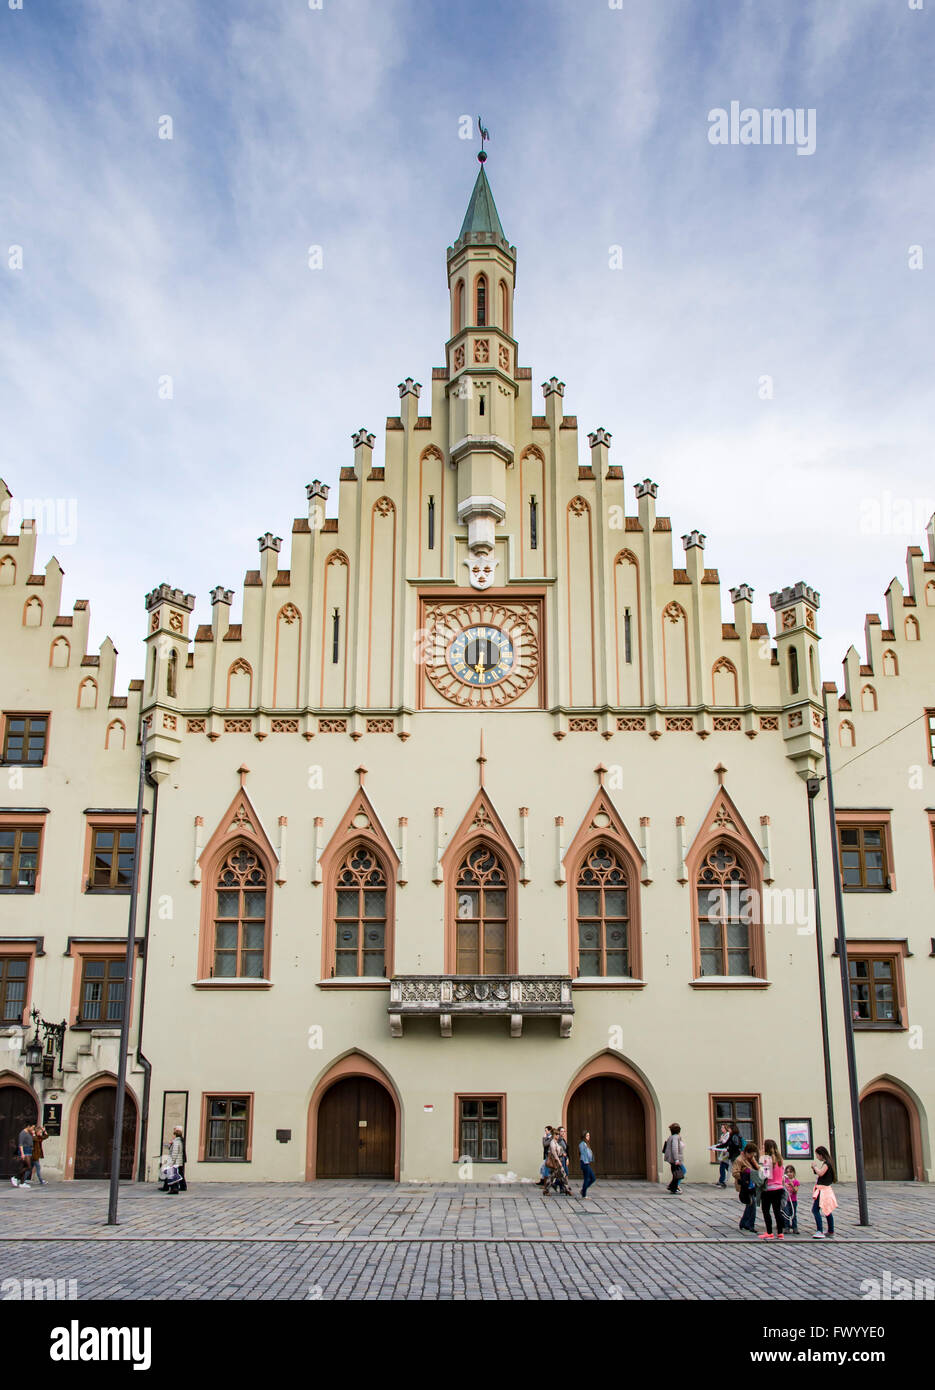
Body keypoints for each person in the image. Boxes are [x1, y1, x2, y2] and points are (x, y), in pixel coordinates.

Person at [759, 1138, 787, 1240]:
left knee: (766, 1210)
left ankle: (769, 1232)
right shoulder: (780, 1160)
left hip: (769, 1189)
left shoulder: (767, 1160)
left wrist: (760, 1169)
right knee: (777, 1211)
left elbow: (765, 1175)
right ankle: (780, 1233)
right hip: (779, 1188)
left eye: (763, 1146)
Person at [811, 1146, 837, 1239]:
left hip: (823, 1191)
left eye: (817, 1155)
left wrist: (815, 1167)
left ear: (821, 1154)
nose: (817, 1157)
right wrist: (815, 1169)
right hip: (825, 1189)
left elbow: (821, 1173)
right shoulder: (828, 1163)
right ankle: (830, 1230)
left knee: (815, 1210)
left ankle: (820, 1230)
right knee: (827, 1210)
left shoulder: (826, 1164)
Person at [734, 1142, 761, 1233]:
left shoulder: (751, 1158)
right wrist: (744, 1176)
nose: (752, 1156)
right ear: (746, 1152)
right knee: (752, 1204)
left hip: (752, 1184)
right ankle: (750, 1225)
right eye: (751, 1154)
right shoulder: (739, 1160)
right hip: (745, 1185)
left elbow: (757, 1167)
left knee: (750, 1204)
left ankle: (743, 1223)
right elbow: (735, 1173)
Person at [663, 1122, 685, 1194]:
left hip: (671, 1159)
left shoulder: (671, 1137)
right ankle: (675, 1187)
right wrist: (677, 1159)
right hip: (674, 1159)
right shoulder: (676, 1137)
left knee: (675, 1172)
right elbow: (675, 1148)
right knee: (680, 1171)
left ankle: (672, 1187)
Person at [165, 1126, 186, 1195]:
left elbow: (174, 1152)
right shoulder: (179, 1141)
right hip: (178, 1161)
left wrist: (171, 1161)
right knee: (176, 1174)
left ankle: (174, 1189)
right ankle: (176, 1188)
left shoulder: (177, 1142)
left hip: (175, 1161)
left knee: (173, 1175)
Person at [783, 1164, 800, 1235]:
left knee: (793, 1214)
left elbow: (796, 1190)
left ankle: (795, 1227)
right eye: (787, 1172)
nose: (789, 1174)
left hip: (793, 1200)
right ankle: (787, 1227)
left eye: (790, 1172)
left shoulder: (796, 1181)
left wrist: (792, 1185)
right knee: (786, 1214)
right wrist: (784, 1184)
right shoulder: (785, 1181)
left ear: (794, 1173)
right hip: (786, 1200)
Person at [579, 1130, 596, 1199]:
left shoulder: (586, 1144)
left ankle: (583, 1190)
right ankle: (584, 1194)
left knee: (593, 1178)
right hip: (584, 1163)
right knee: (587, 1178)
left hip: (586, 1163)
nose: (589, 1137)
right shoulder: (582, 1144)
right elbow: (584, 1154)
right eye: (587, 1135)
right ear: (584, 1136)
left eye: (589, 1135)